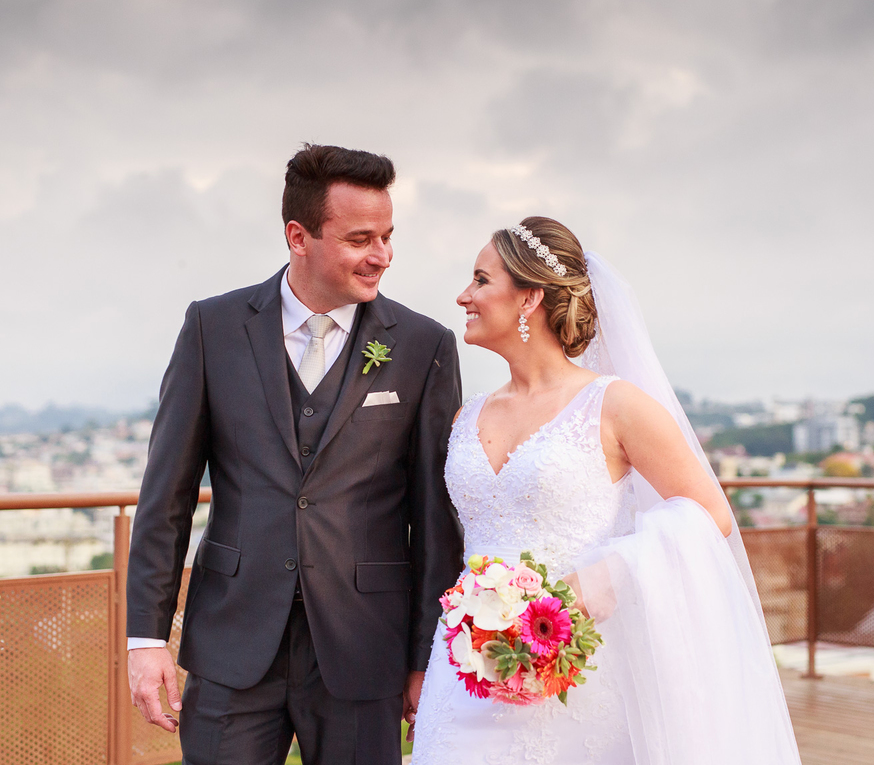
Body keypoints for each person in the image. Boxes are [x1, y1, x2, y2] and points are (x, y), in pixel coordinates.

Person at [411, 217, 801, 764]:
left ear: (529, 297)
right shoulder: (465, 415)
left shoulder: (614, 405)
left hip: (578, 674)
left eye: (480, 280)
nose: (463, 296)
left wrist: (601, 578)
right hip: (467, 678)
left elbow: (710, 512)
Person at [125, 144, 464, 764]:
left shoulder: (423, 346)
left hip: (365, 650)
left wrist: (428, 658)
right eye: (362, 238)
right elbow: (165, 497)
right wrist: (145, 638)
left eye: (387, 236)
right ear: (298, 236)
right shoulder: (213, 327)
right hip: (233, 641)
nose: (382, 255)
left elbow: (435, 521)